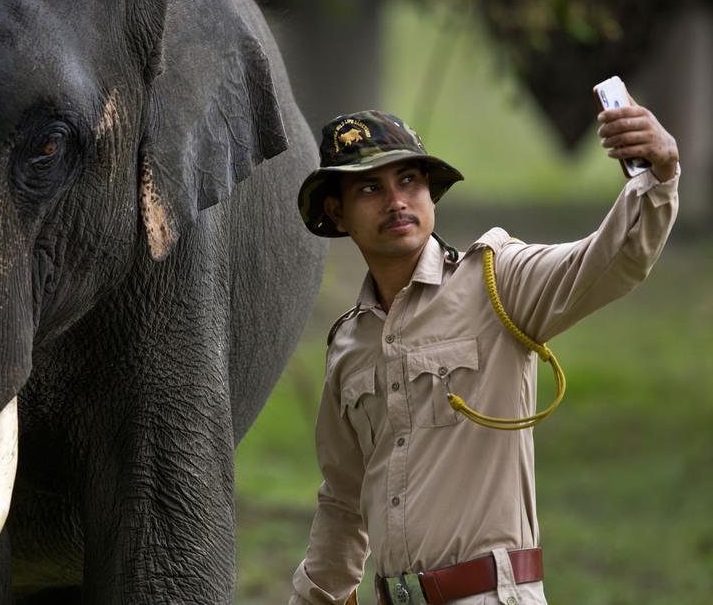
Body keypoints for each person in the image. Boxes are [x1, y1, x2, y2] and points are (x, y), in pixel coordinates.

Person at [289, 102, 679, 605]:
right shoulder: (349, 344)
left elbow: (614, 259)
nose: (396, 202)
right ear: (336, 212)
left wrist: (659, 173)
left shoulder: (497, 282)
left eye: (409, 180)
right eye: (369, 188)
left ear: (430, 192)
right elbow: (343, 501)